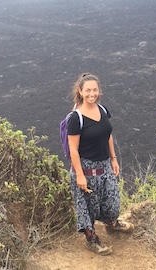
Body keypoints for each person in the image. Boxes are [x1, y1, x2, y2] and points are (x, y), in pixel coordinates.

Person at [67, 72, 134, 256]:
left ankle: (112, 223)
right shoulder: (76, 118)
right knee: (87, 207)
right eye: (88, 90)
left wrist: (113, 158)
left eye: (95, 90)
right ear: (80, 91)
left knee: (112, 201)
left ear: (99, 91)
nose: (92, 94)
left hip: (104, 166)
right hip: (86, 169)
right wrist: (80, 175)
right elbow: (73, 149)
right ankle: (91, 239)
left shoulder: (103, 110)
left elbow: (108, 135)